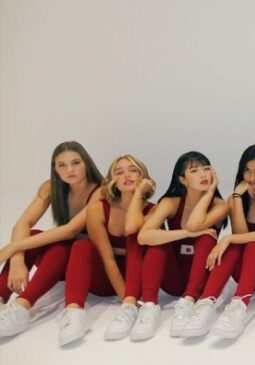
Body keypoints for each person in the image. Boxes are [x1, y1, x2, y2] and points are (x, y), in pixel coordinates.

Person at [180, 144, 255, 339]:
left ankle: (238, 308)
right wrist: (237, 199)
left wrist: (228, 237)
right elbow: (241, 237)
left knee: (250, 245)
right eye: (247, 170)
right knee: (237, 245)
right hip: (247, 273)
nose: (251, 177)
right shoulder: (235, 198)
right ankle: (206, 304)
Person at [0, 141, 102, 338]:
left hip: (88, 264)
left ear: (86, 163)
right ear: (55, 168)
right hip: (60, 262)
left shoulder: (101, 190)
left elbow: (71, 230)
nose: (69, 170)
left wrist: (12, 248)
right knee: (35, 235)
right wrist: (17, 261)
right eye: (62, 165)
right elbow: (23, 223)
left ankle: (22, 307)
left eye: (76, 163)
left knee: (72, 243)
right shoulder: (50, 188)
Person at [59, 155, 157, 345]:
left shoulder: (154, 210)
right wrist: (126, 299)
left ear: (143, 177)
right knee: (81, 246)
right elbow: (108, 259)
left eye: (133, 170)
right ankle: (73, 312)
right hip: (106, 276)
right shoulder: (98, 208)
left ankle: (130, 305)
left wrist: (137, 194)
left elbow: (132, 228)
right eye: (119, 172)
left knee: (135, 236)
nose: (126, 175)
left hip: (136, 278)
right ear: (113, 181)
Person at [132, 151, 228, 340]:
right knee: (158, 241)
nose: (203, 174)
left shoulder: (220, 205)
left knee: (206, 238)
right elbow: (143, 236)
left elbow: (194, 224)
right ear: (182, 179)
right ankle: (149, 305)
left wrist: (209, 192)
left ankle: (189, 301)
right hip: (173, 279)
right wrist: (186, 234)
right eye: (194, 171)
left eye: (206, 169)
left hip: (203, 279)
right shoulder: (170, 203)